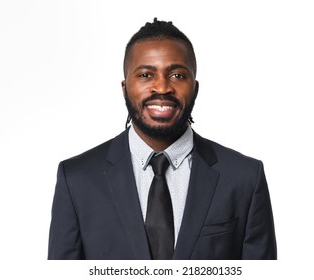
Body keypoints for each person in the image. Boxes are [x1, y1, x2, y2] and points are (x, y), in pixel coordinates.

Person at [48, 18, 277, 260]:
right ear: (125, 87)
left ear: (195, 88)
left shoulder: (244, 178)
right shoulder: (76, 179)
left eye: (177, 75)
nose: (162, 87)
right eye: (146, 74)